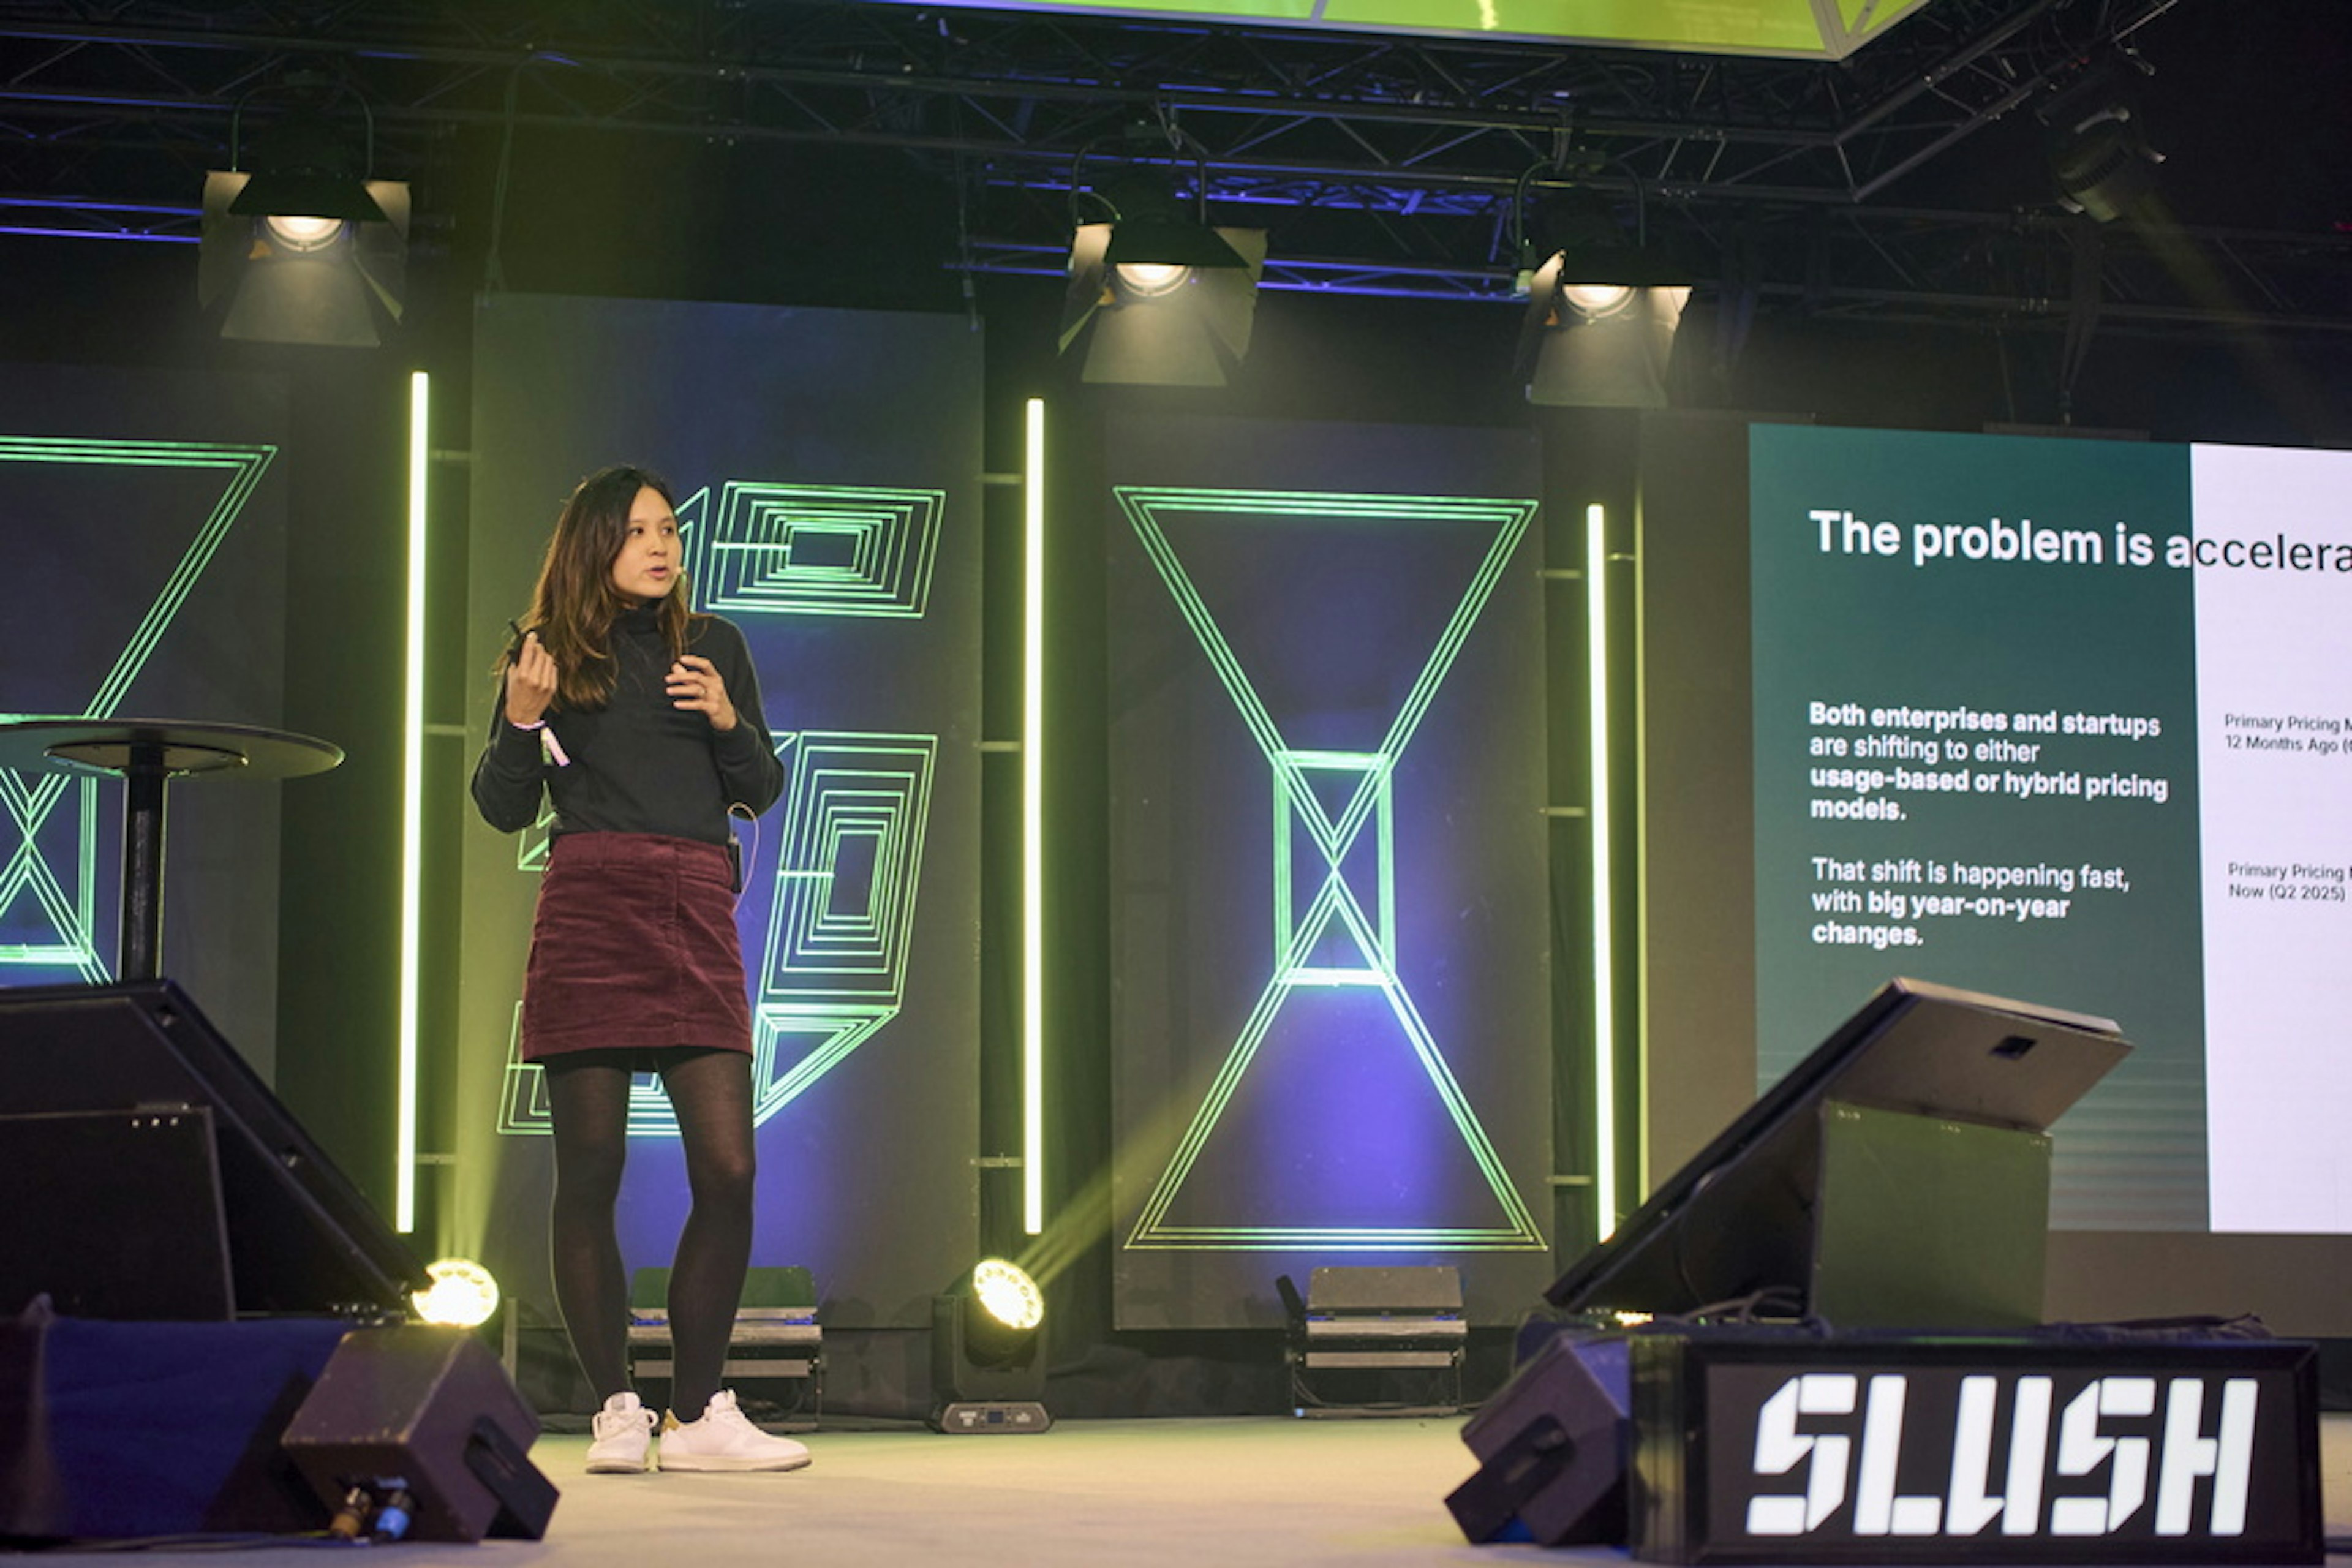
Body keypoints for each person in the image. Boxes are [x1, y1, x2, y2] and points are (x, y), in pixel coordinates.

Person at [471, 464, 804, 1476]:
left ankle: (696, 1415)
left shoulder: (715, 646)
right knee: (591, 1170)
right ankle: (617, 1408)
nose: (662, 548)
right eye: (639, 532)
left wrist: (727, 722)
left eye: (669, 531)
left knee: (729, 1170)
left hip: (694, 903)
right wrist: (522, 720)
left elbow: (761, 786)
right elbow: (502, 806)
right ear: (595, 545)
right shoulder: (545, 654)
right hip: (590, 904)